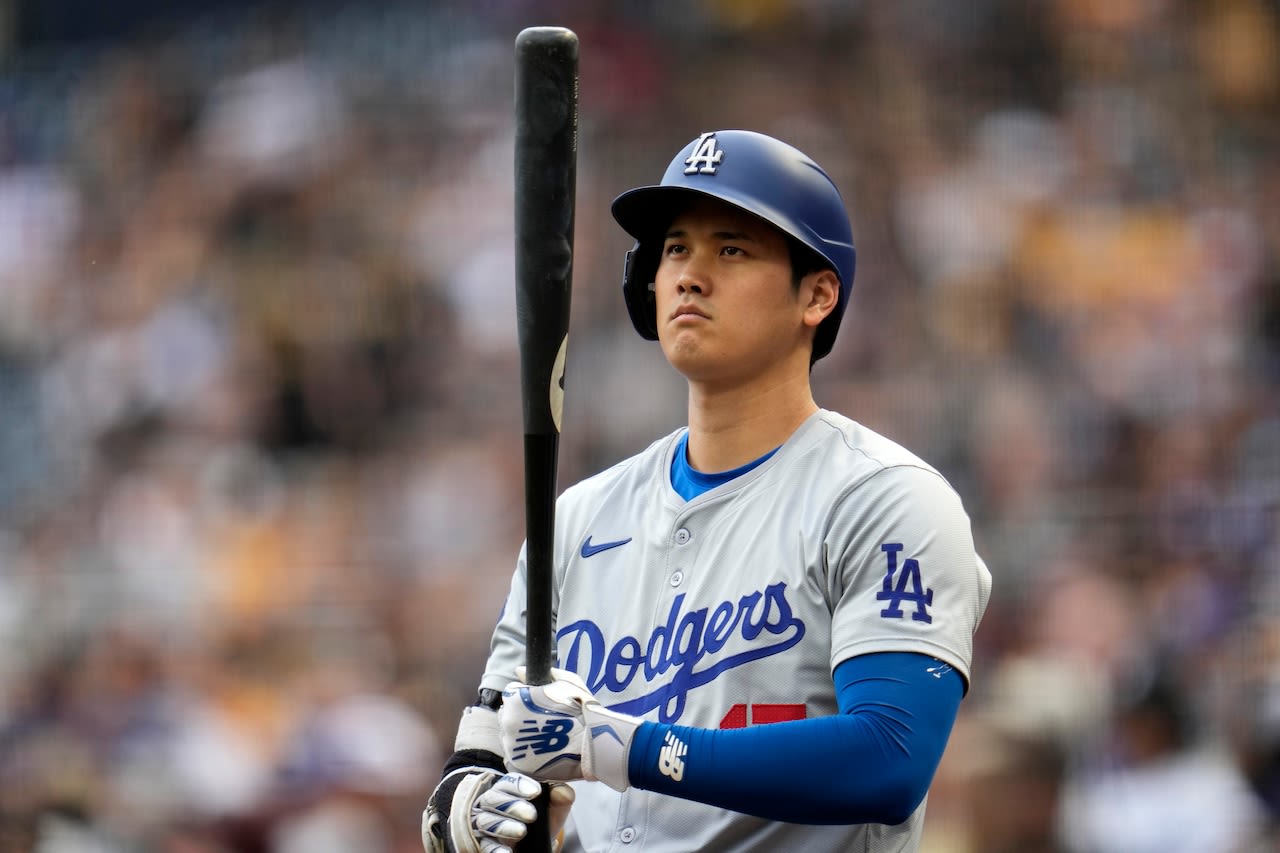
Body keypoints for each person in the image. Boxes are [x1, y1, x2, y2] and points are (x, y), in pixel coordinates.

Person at [422, 129, 992, 852]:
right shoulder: (576, 518)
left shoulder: (884, 499)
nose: (690, 274)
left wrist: (623, 746)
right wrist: (468, 808)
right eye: (675, 250)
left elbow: (888, 757)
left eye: (731, 249)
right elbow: (486, 743)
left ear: (817, 294)